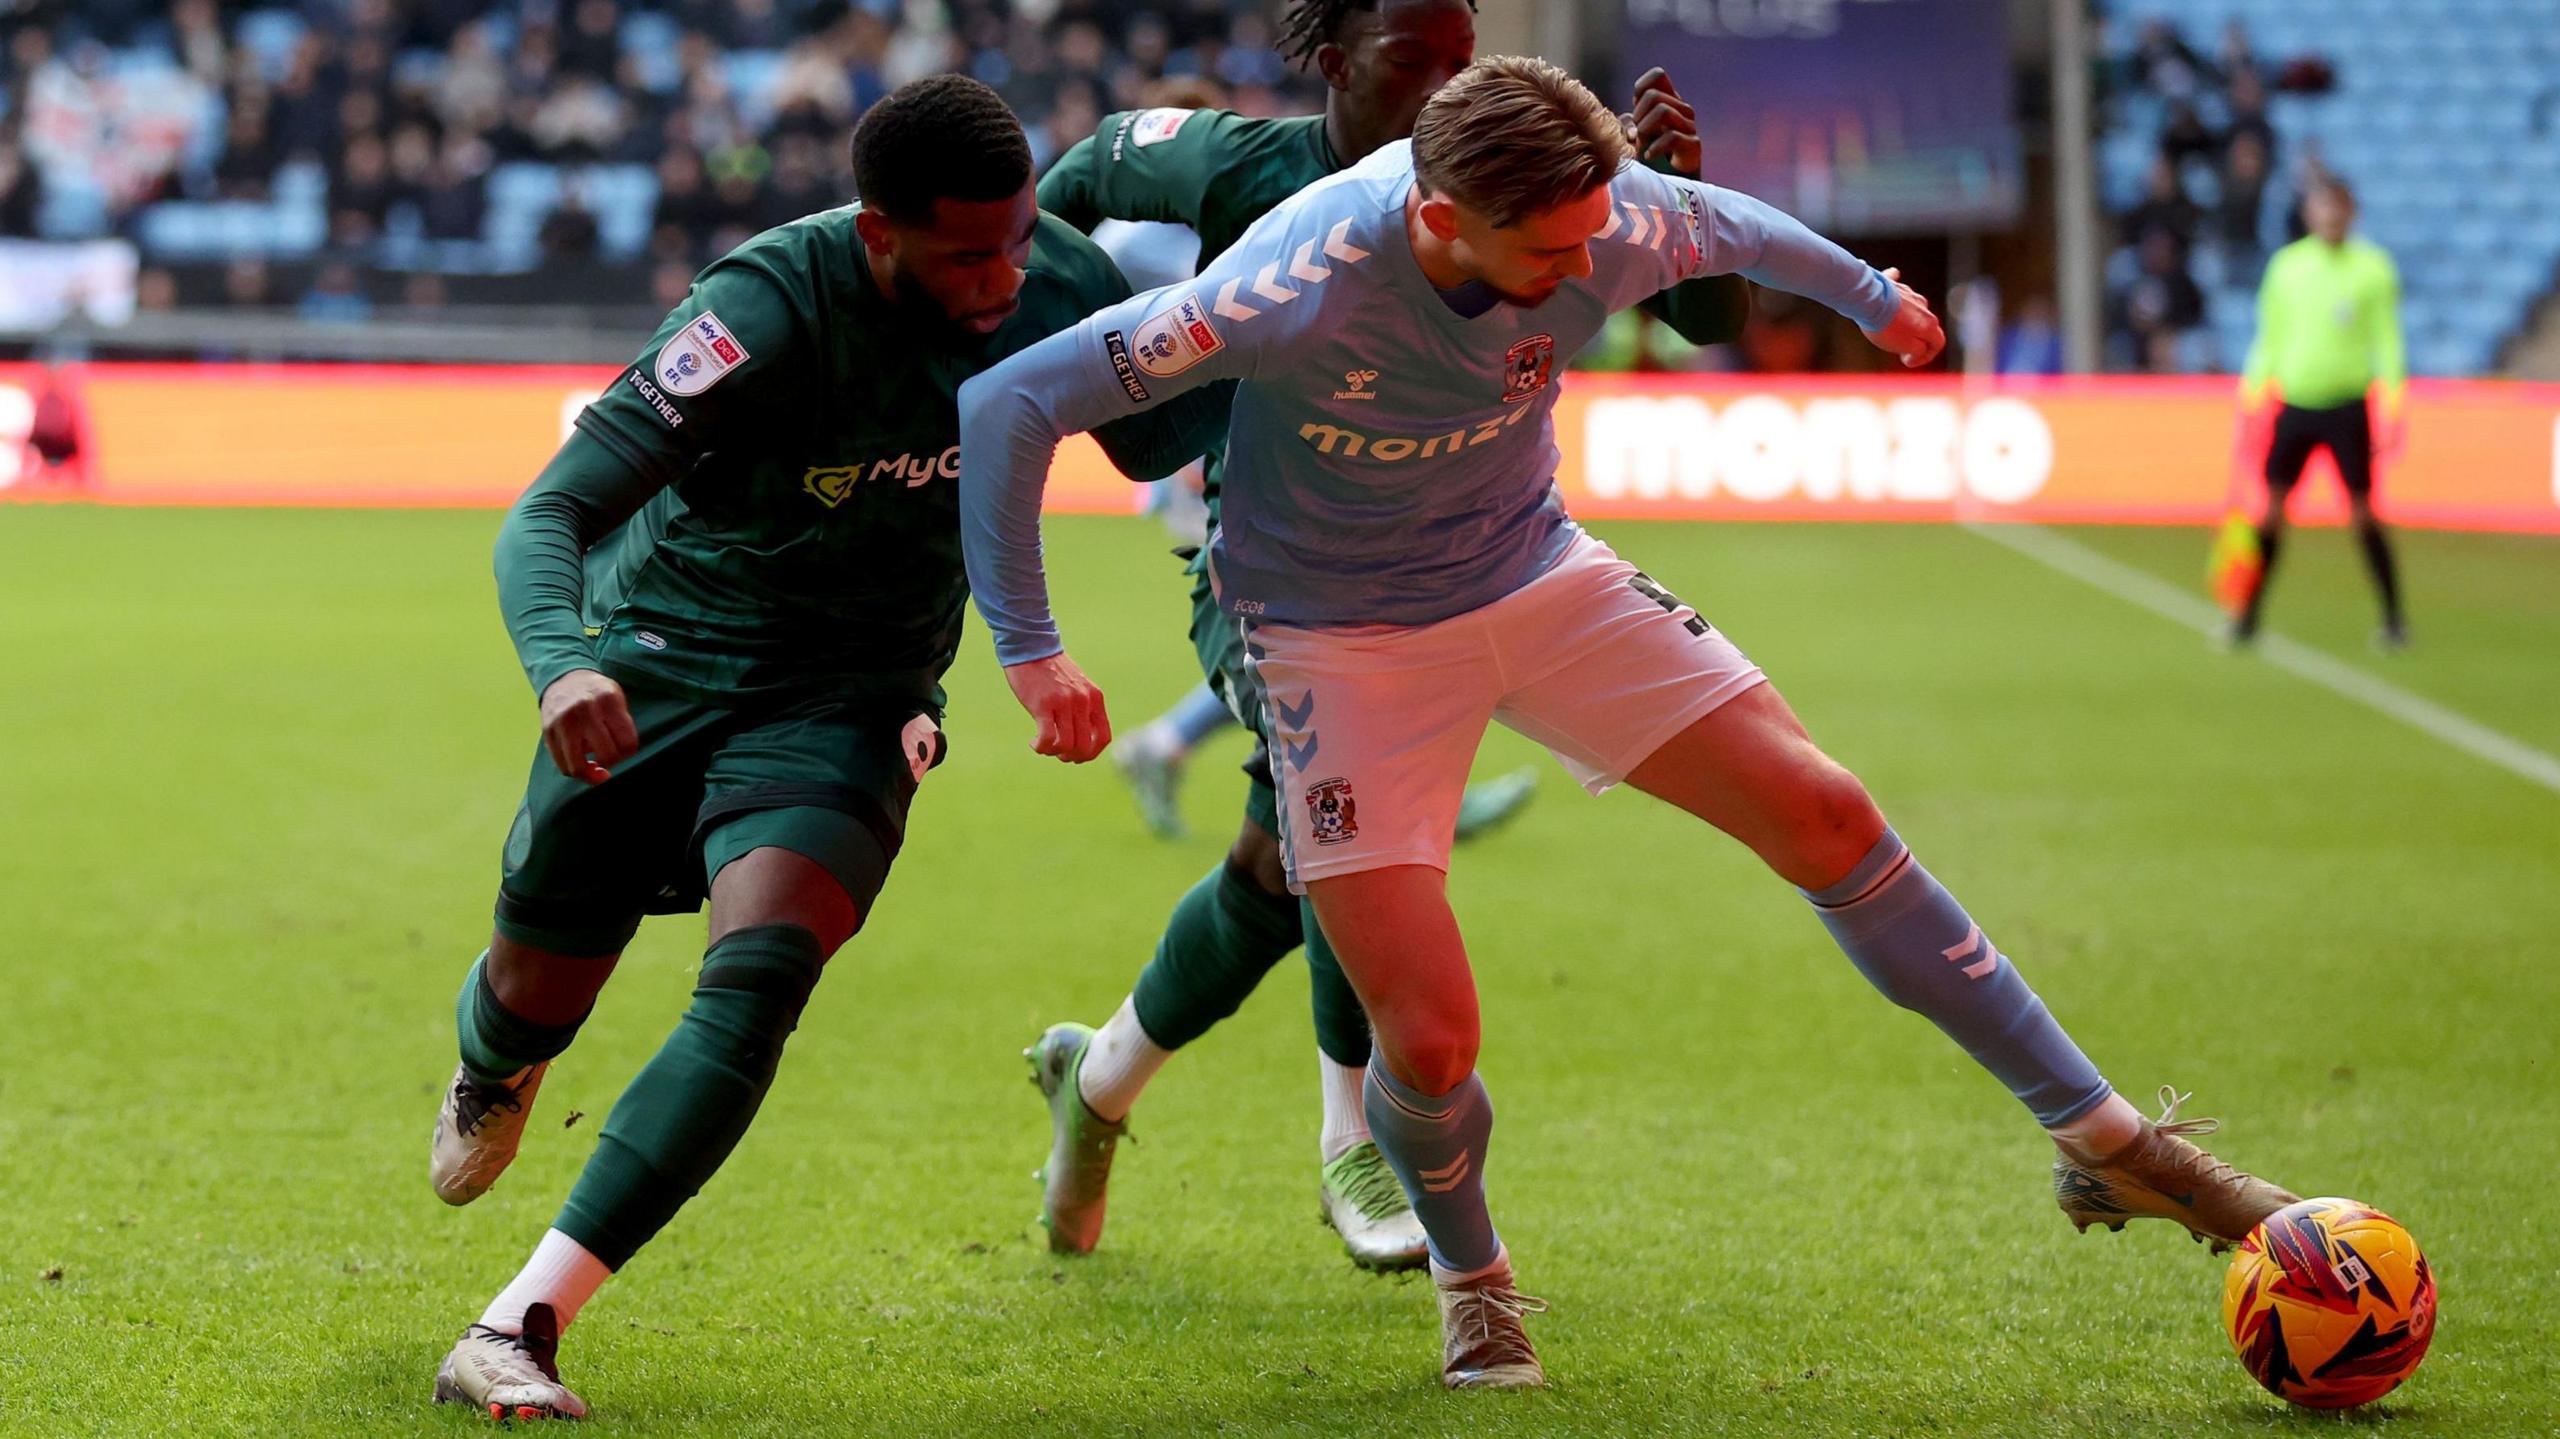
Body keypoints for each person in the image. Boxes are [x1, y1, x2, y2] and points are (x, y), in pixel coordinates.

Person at [957, 56, 2298, 1390]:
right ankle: (1475, 1286)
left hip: (1534, 570)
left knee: (1829, 811)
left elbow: (1737, 228)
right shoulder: (1289, 280)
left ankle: (2105, 1137)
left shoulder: (1604, 214)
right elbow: (1013, 402)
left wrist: (1875, 296)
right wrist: (1030, 649)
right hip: (1334, 638)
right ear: (1439, 221)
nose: (1591, 264)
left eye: (1600, 228)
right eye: (1552, 250)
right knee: (1423, 1042)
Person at [424, 76, 1219, 1421]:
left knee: (766, 966)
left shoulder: (1050, 277)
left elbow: (1161, 426)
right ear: (875, 232)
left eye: (1019, 238)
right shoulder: (766, 302)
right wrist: (563, 670)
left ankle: (520, 1322)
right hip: (663, 652)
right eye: (968, 252)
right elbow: (549, 512)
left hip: (859, 686)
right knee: (536, 977)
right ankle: (502, 1057)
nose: (1003, 277)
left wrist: (1252, 313)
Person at [1022, 0, 1753, 1273]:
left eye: (1459, 60)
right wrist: (1079, 352)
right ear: (1331, 63)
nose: (1439, 89)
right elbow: (1063, 190)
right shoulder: (1236, 165)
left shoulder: (1511, 179)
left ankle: (1097, 1078)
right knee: (1337, 798)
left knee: (1270, 867)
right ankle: (1348, 1142)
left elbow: (1711, 319)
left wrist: (1681, 188)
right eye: (1410, 61)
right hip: (1257, 563)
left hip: (1437, 570)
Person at [2231, 177, 2408, 649]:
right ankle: (2246, 615)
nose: (2330, 216)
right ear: (2309, 213)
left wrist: (2392, 408)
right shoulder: (2287, 268)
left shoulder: (2373, 269)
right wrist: (2250, 402)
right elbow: (2268, 339)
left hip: (2348, 406)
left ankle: (2393, 618)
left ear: (2352, 213)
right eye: (2322, 208)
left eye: (2338, 208)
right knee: (2268, 511)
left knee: (2364, 514)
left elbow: (2387, 343)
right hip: (2295, 405)